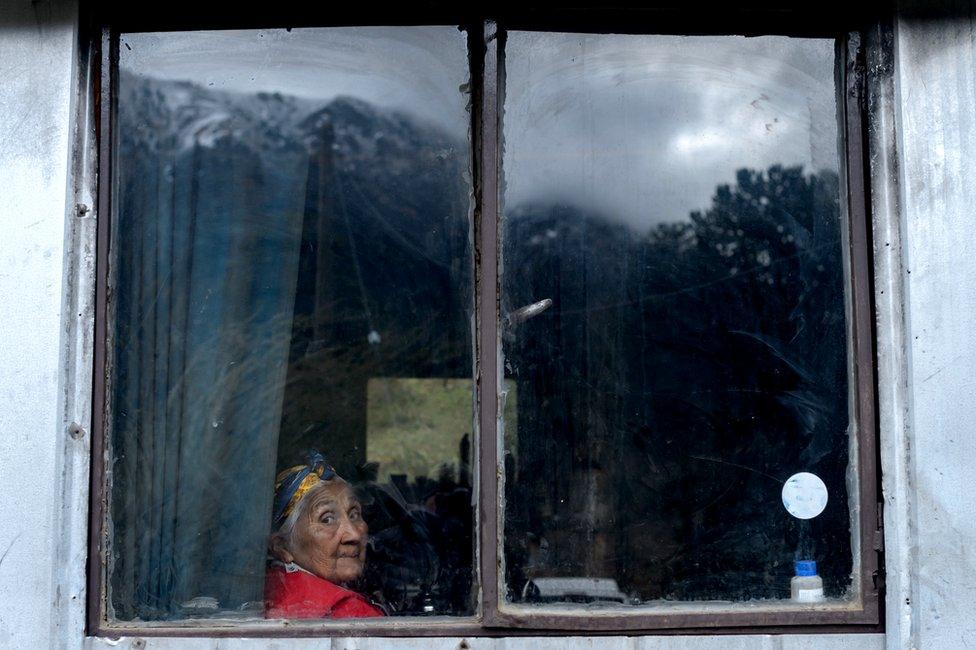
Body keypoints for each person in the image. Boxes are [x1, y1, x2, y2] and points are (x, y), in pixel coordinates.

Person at [264, 452, 384, 618]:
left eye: (354, 514)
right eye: (327, 519)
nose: (354, 535)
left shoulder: (269, 591)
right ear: (282, 547)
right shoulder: (351, 613)